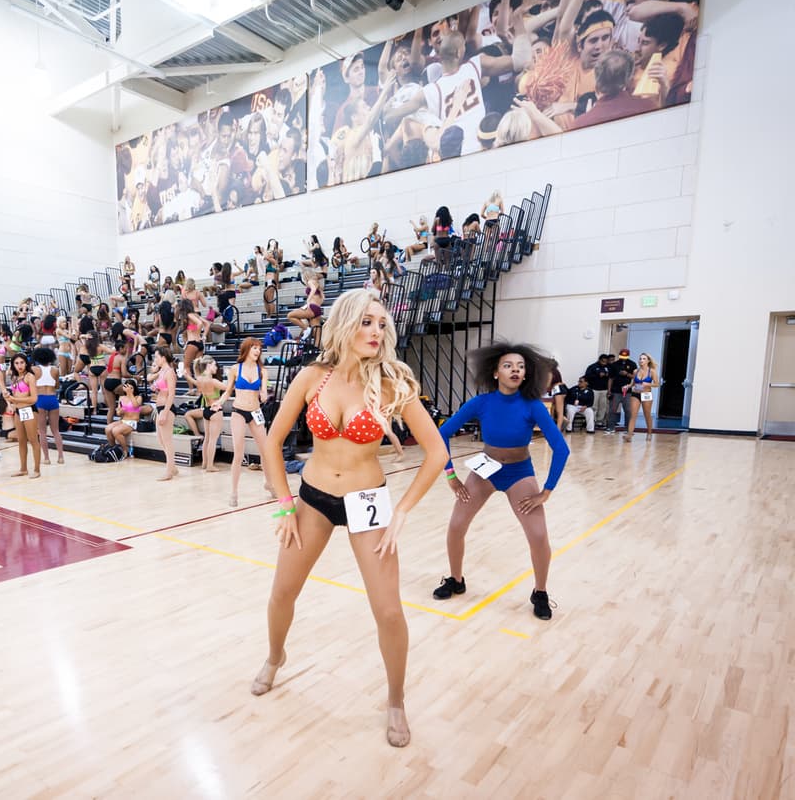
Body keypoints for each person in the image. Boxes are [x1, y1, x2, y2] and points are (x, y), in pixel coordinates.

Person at [252, 289, 447, 748]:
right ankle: (276, 656)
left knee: (388, 611)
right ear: (344, 324)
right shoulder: (312, 377)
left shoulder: (394, 381)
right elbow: (273, 441)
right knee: (282, 591)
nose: (376, 331)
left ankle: (395, 699)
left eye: (381, 324)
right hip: (314, 497)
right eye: (366, 322)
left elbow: (437, 452)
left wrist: (402, 510)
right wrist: (284, 503)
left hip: (368, 502)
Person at [433, 342, 570, 621]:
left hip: (519, 473)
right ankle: (456, 580)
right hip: (485, 471)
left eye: (520, 366)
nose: (515, 370)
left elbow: (561, 448)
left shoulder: (533, 405)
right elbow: (441, 434)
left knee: (539, 535)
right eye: (508, 366)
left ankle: (540, 592)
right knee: (456, 526)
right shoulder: (481, 403)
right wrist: (450, 475)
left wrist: (546, 491)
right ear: (496, 373)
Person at [213, 338, 272, 507]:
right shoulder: (234, 369)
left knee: (265, 450)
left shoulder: (262, 371)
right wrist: (220, 402)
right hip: (239, 411)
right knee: (238, 454)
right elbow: (228, 390)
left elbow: (264, 392)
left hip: (255, 412)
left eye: (259, 349)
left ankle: (268, 482)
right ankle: (234, 492)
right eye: (254, 348)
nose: (257, 351)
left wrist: (264, 394)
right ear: (247, 349)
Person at [4, 352, 41, 478]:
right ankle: (23, 468)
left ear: (26, 363)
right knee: (21, 441)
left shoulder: (30, 376)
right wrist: (10, 399)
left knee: (33, 440)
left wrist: (15, 400)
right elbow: (14, 397)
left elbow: (34, 398)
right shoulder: (14, 377)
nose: (19, 365)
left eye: (21, 362)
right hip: (18, 411)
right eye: (16, 363)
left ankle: (36, 469)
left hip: (29, 410)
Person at [32, 346, 66, 465]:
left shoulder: (34, 369)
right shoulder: (55, 369)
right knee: (56, 430)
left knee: (42, 431)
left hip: (40, 399)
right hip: (52, 399)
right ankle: (61, 457)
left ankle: (46, 458)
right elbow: (56, 386)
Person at [150, 346, 179, 481]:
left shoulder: (169, 372)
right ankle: (172, 467)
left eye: (156, 357)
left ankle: (169, 471)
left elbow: (172, 394)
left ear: (163, 357)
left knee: (167, 441)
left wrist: (165, 412)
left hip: (166, 408)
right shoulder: (162, 371)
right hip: (160, 407)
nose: (155, 359)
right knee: (160, 440)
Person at [625, 352, 660, 441]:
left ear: (648, 361)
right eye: (640, 358)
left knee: (647, 414)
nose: (641, 360)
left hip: (646, 394)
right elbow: (632, 383)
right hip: (636, 394)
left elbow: (657, 384)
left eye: (644, 359)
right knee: (633, 414)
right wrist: (627, 386)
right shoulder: (635, 371)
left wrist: (648, 384)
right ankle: (629, 435)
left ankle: (649, 433)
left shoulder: (652, 371)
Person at [105, 379, 143, 454]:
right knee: (108, 429)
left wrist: (130, 394)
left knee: (115, 431)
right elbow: (118, 413)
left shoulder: (138, 397)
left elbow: (135, 406)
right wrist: (120, 411)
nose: (128, 389)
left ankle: (125, 450)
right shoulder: (121, 398)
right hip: (123, 420)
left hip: (133, 422)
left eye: (131, 387)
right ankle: (113, 448)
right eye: (127, 387)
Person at [606, 348, 637, 433]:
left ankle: (628, 429)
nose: (623, 357)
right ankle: (610, 428)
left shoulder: (632, 364)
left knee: (628, 410)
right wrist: (609, 390)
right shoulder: (614, 365)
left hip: (628, 391)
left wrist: (627, 374)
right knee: (612, 410)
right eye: (622, 355)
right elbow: (610, 378)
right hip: (615, 391)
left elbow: (635, 378)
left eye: (625, 355)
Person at [583, 353, 612, 431]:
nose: (604, 363)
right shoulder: (592, 367)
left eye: (606, 361)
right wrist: (598, 374)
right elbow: (587, 376)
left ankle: (599, 421)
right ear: (599, 360)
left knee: (603, 406)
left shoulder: (608, 367)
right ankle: (593, 421)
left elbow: (611, 377)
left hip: (604, 389)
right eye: (603, 361)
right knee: (594, 406)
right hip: (594, 389)